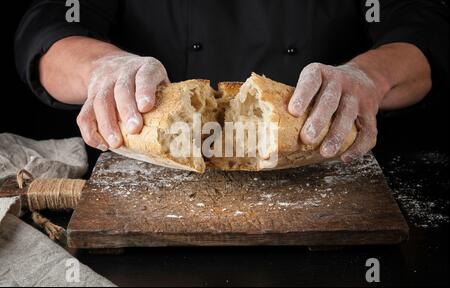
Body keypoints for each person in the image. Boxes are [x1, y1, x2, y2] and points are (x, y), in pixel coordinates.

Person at [15, 0, 449, 161]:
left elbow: (424, 25)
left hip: (325, 182)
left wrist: (369, 77)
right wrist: (100, 68)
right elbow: (51, 25)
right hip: (153, 211)